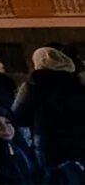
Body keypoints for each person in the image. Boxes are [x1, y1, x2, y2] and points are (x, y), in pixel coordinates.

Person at [14, 47, 85, 181]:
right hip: (78, 142)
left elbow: (18, 116)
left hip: (47, 144)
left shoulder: (32, 87)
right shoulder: (78, 86)